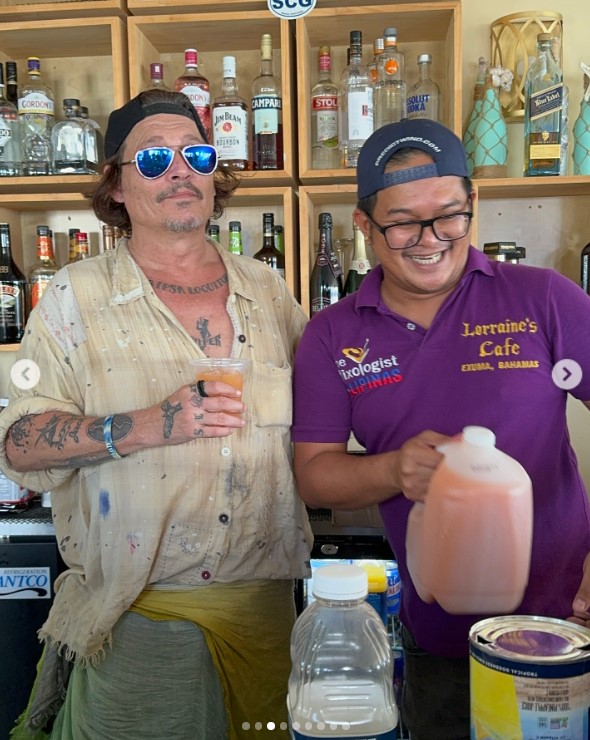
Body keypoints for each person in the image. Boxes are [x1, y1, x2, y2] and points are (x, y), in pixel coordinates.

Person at [0, 89, 312, 740]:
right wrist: (144, 425)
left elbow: (327, 414)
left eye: (196, 154)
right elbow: (19, 443)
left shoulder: (270, 292)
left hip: (267, 622)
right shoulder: (72, 297)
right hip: (139, 630)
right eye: (153, 158)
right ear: (115, 185)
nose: (180, 169)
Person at [291, 117, 590, 740]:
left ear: (472, 206)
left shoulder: (545, 299)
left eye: (448, 215)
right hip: (438, 643)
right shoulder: (331, 335)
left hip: (569, 631)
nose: (429, 239)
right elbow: (315, 476)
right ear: (366, 226)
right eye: (402, 221)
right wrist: (394, 469)